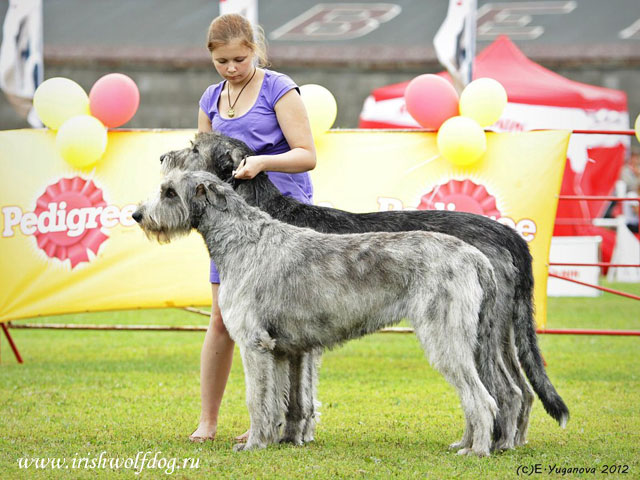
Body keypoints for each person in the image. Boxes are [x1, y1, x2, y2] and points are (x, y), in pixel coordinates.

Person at [189, 13, 317, 442]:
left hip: (285, 217)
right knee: (223, 320)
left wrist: (262, 161)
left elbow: (306, 154)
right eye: (222, 61)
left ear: (255, 50)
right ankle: (208, 421)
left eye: (240, 59)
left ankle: (273, 422)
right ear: (211, 56)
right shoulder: (210, 98)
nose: (231, 68)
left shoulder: (280, 88)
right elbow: (202, 167)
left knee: (283, 324)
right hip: (231, 226)